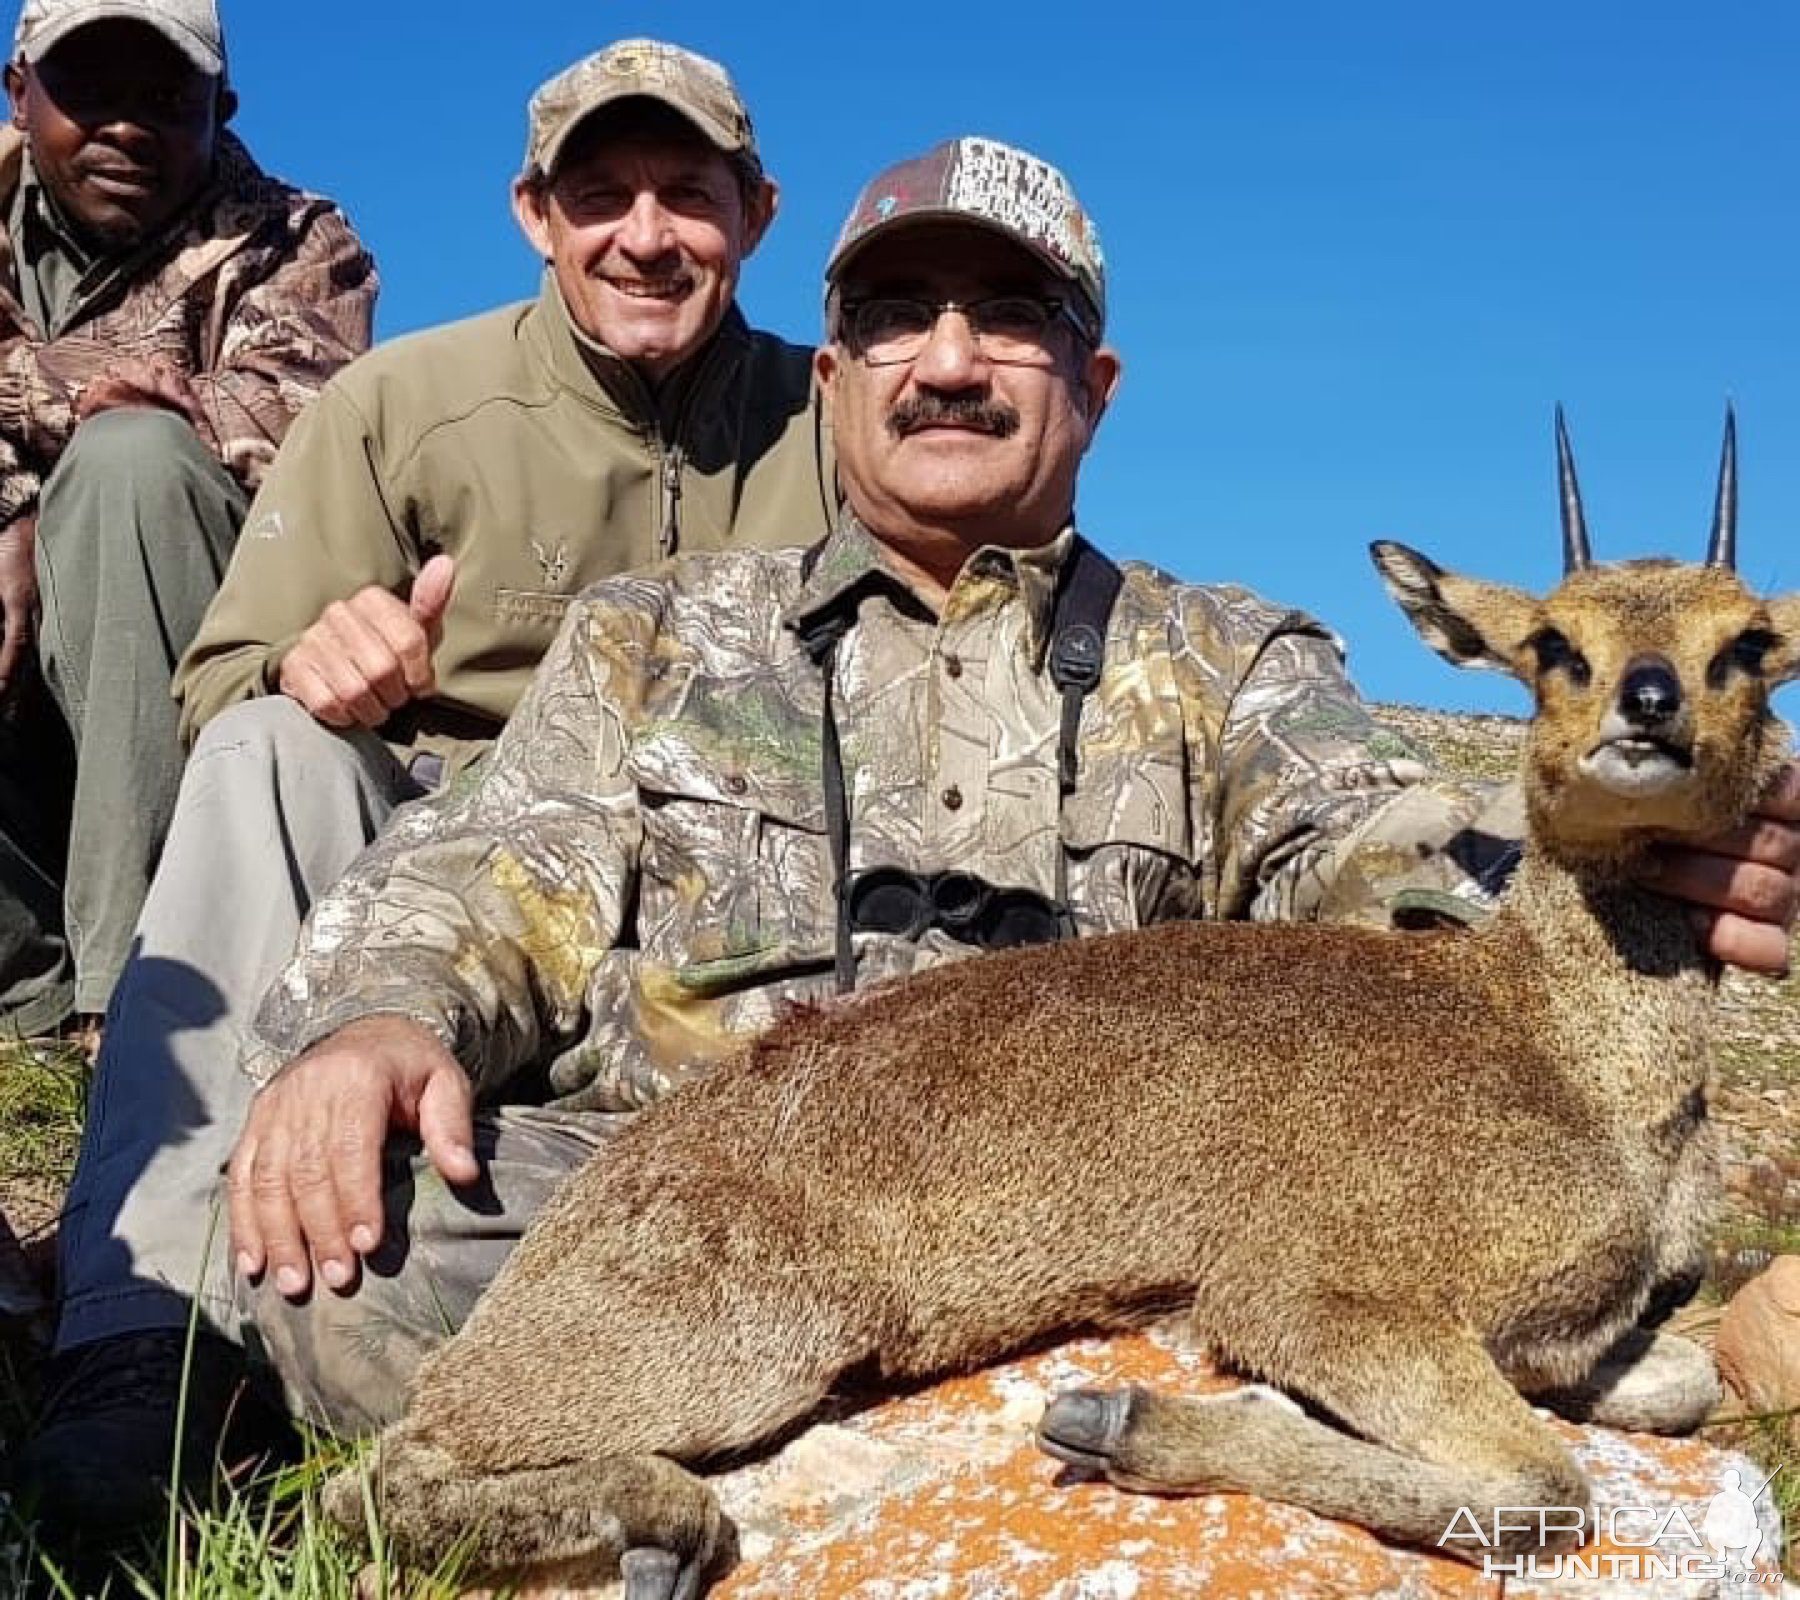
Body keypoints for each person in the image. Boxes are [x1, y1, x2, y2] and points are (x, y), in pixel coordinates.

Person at [211, 136, 1800, 1442]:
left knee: (1469, 1220)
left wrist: (1625, 864)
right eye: (899, 315)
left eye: (1013, 315)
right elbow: (490, 871)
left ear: (1093, 380)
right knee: (345, 1258)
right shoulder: (656, 636)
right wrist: (380, 1017)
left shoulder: (1226, 655)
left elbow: (1369, 837)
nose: (952, 361)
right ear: (830, 375)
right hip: (714, 1200)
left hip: (1112, 1227)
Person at [17, 38, 834, 1538]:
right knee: (268, 753)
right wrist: (314, 669)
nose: (643, 235)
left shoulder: (843, 423)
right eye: (600, 196)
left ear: (758, 214)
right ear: (535, 215)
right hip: (444, 853)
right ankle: (147, 1346)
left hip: (718, 895)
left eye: (685, 195)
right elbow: (216, 686)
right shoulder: (405, 401)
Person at [0, 0, 376, 1039]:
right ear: (18, 92)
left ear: (224, 110)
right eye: (91, 90)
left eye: (166, 99)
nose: (127, 126)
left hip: (188, 660)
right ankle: (20, 988)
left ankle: (137, 997)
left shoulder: (300, 241)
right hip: (26, 692)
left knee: (132, 465)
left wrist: (65, 430)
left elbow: (287, 415)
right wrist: (17, 504)